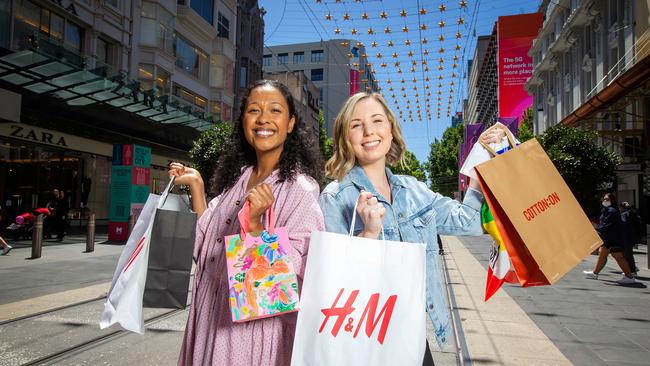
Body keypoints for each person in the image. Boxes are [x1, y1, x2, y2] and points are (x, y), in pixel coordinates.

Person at [319, 92, 505, 365]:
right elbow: (332, 282)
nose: (369, 131)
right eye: (356, 124)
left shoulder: (415, 190)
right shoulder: (334, 197)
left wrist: (479, 163)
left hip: (415, 336)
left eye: (377, 120)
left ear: (391, 130)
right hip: (366, 338)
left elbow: (470, 221)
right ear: (345, 137)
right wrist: (367, 235)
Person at [169, 80, 324, 366]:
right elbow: (205, 247)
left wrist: (255, 228)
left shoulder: (299, 190)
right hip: (209, 315)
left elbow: (293, 283)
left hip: (249, 334)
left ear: (290, 124)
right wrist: (197, 186)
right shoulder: (238, 181)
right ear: (243, 122)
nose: (263, 118)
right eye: (254, 110)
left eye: (274, 110)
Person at [583, 193, 636, 284]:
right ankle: (595, 273)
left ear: (612, 200)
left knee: (618, 256)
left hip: (613, 238)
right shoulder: (608, 210)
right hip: (609, 238)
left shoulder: (612, 211)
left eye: (607, 199)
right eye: (604, 199)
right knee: (602, 254)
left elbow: (606, 225)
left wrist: (597, 231)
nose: (605, 201)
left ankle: (629, 277)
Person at [619, 201, 640, 276]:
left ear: (621, 207)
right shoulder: (632, 214)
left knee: (626, 254)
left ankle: (632, 270)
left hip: (626, 238)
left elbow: (623, 225)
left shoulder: (624, 215)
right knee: (628, 254)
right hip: (631, 237)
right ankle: (632, 269)